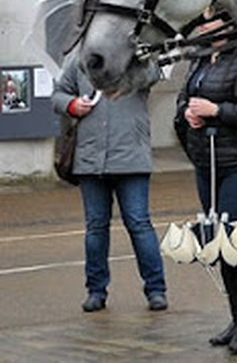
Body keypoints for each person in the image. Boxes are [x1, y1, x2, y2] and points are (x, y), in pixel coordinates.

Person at [174, 10, 237, 354]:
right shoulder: (200, 59)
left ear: (229, 21)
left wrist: (217, 111)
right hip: (208, 162)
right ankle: (236, 318)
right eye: (202, 18)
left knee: (232, 237)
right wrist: (188, 114)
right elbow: (184, 104)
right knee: (218, 241)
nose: (203, 23)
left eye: (211, 18)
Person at [51, 56, 168, 311]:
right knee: (95, 228)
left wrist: (126, 63)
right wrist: (71, 104)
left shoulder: (137, 61)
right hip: (90, 160)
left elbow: (153, 74)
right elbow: (57, 95)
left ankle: (156, 289)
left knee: (139, 223)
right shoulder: (78, 62)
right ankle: (96, 291)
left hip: (131, 158)